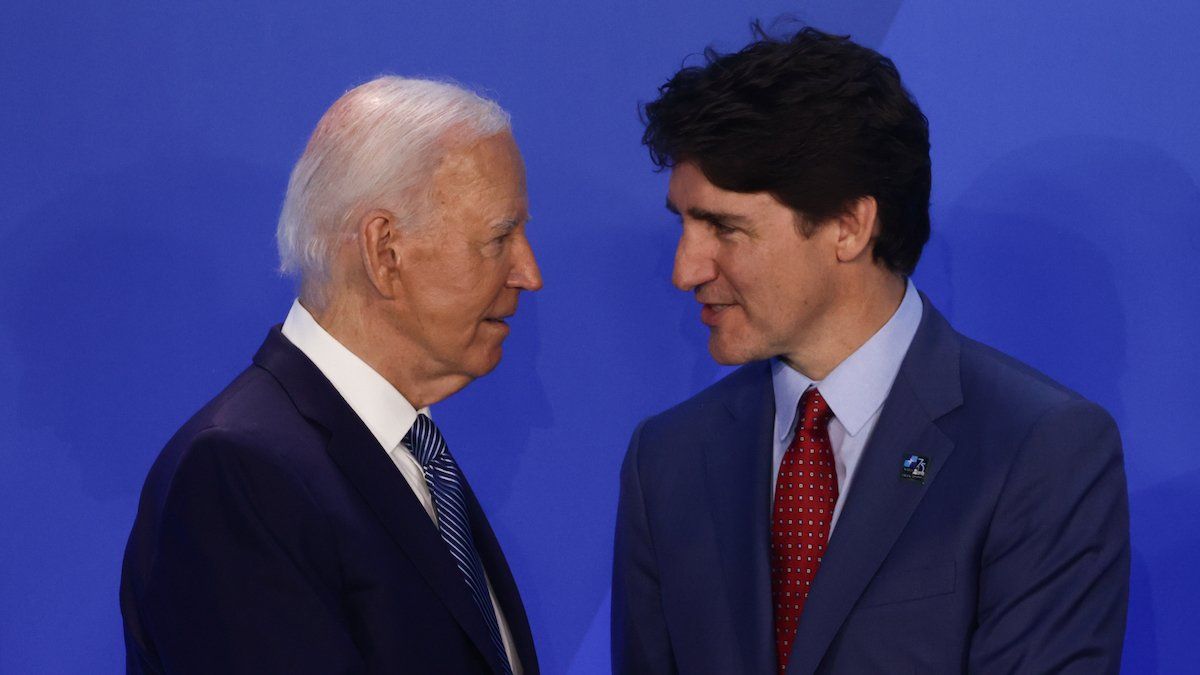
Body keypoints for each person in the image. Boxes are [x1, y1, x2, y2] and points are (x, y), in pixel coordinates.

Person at [612, 26, 1129, 674]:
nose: (685, 269)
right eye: (682, 223)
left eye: (723, 227)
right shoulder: (666, 461)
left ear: (849, 226)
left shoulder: (1038, 452)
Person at [121, 76, 542, 674]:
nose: (529, 272)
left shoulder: (408, 454)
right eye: (500, 237)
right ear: (384, 251)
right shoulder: (238, 473)